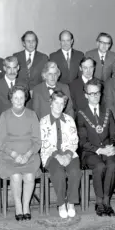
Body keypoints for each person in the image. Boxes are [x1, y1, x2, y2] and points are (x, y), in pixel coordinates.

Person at [0, 85, 41, 221]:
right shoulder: (4, 116)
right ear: (11, 99)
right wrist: (15, 155)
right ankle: (18, 206)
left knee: (29, 177)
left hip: (30, 155)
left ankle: (26, 206)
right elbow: (2, 142)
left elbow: (37, 141)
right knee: (16, 177)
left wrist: (27, 155)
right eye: (16, 97)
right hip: (9, 157)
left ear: (25, 98)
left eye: (21, 97)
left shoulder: (32, 115)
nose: (19, 100)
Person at [77, 78, 115, 217]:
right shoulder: (81, 113)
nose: (94, 96)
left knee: (112, 165)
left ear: (100, 94)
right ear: (86, 95)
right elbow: (82, 141)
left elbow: (114, 135)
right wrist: (99, 150)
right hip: (90, 152)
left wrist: (112, 147)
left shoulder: (107, 112)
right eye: (91, 93)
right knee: (100, 166)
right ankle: (99, 202)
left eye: (97, 93)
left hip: (107, 149)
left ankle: (107, 201)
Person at [40, 90, 81, 218]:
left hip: (69, 153)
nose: (58, 106)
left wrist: (68, 155)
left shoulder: (69, 120)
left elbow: (74, 140)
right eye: (56, 102)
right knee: (59, 173)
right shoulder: (44, 121)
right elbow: (44, 142)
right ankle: (61, 203)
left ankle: (71, 203)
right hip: (51, 155)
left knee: (75, 171)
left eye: (61, 103)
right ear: (50, 103)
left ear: (64, 105)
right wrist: (58, 156)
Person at [0, 56, 28, 121]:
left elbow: (27, 106)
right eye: (9, 68)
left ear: (18, 67)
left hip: (21, 122)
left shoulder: (24, 85)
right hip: (3, 123)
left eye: (14, 68)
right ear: (4, 68)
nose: (12, 71)